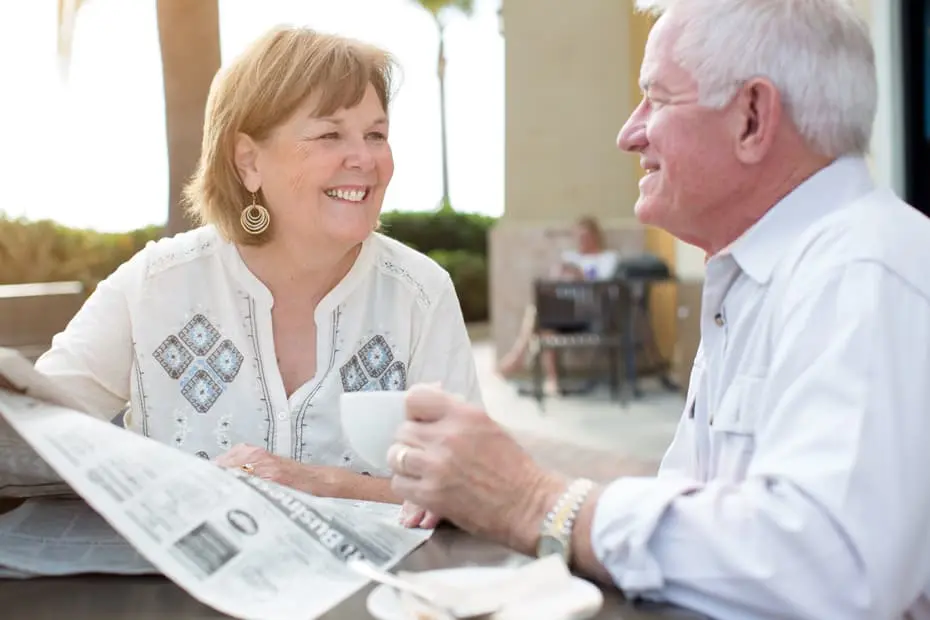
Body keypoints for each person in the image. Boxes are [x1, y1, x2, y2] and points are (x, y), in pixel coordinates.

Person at [387, 0, 930, 618]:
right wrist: (485, 486)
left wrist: (536, 502)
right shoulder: (763, 276)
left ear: (752, 117)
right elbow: (696, 513)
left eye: (658, 98)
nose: (629, 132)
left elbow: (833, 570)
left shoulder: (864, 272)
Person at [30, 27, 481, 505]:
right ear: (248, 162)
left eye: (376, 135)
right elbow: (35, 431)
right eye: (330, 134)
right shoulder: (154, 283)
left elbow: (473, 488)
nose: (365, 158)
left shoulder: (421, 292)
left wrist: (320, 483)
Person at [496, 216, 620, 394]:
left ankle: (518, 357)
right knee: (543, 318)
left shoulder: (608, 258)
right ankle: (551, 380)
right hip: (565, 311)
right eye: (578, 236)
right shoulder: (569, 257)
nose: (582, 240)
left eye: (586, 235)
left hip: (591, 314)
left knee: (540, 315)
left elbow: (606, 290)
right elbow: (554, 285)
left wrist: (580, 276)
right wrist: (561, 274)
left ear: (595, 235)